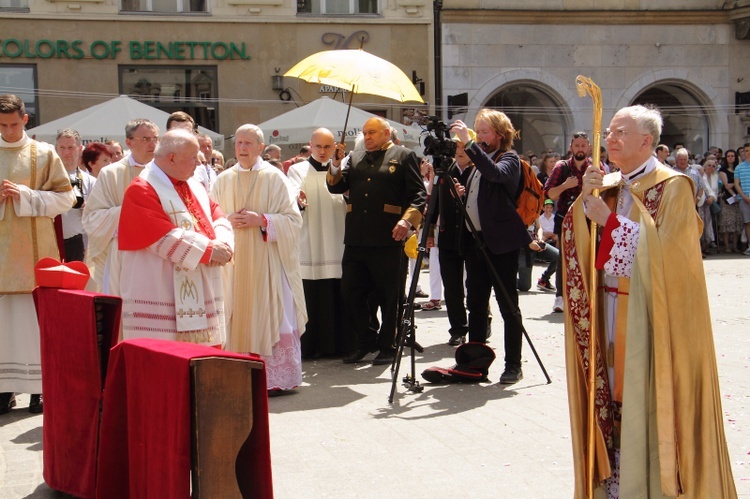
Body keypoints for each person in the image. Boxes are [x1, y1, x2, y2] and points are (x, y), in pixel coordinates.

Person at [563, 105, 737, 498]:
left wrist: (608, 221)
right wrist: (584, 202)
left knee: (642, 392)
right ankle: (617, 481)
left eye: (620, 132)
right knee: (611, 390)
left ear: (646, 141)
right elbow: (581, 245)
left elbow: (667, 263)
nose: (610, 138)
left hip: (650, 320)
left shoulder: (673, 187)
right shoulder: (609, 183)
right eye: (609, 131)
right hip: (607, 308)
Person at [211, 124, 307, 391]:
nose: (242, 148)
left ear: (261, 148)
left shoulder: (275, 178)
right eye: (239, 143)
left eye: (248, 144)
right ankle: (234, 374)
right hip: (233, 263)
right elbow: (208, 217)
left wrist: (262, 219)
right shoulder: (222, 180)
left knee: (272, 312)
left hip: (267, 263)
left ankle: (274, 380)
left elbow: (292, 220)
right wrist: (225, 220)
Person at [118, 129, 234, 346]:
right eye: (193, 157)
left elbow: (217, 214)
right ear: (172, 158)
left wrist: (224, 243)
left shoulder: (193, 185)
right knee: (166, 364)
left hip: (201, 285)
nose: (198, 163)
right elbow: (160, 237)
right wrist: (209, 251)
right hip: (162, 293)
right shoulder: (141, 189)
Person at [327, 117, 426, 366]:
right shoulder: (357, 157)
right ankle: (365, 340)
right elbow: (336, 187)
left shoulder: (403, 156)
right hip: (357, 238)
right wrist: (336, 163)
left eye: (372, 132)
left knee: (389, 295)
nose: (367, 137)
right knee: (351, 292)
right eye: (364, 133)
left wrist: (407, 221)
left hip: (389, 237)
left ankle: (388, 344)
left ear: (386, 133)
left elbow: (418, 195)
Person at [0, 94, 75, 415]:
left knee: (36, 322)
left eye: (14, 124)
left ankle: (40, 391)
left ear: (25, 120)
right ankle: (4, 390)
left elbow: (66, 198)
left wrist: (27, 196)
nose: (9, 130)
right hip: (3, 259)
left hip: (36, 254)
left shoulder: (43, 154)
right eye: (3, 125)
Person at [452, 109, 531, 385]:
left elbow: (497, 175)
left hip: (501, 245)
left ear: (499, 134)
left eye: (484, 132)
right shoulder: (477, 165)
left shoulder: (509, 159)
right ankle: (475, 364)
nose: (479, 136)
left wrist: (470, 145)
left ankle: (513, 365)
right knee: (475, 304)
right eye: (477, 131)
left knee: (508, 305)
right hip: (476, 244)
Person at [286, 128, 348, 359]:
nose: (322, 152)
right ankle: (310, 345)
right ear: (310, 145)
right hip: (309, 238)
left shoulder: (341, 170)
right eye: (318, 146)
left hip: (337, 237)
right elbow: (292, 192)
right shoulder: (297, 169)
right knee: (311, 294)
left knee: (337, 292)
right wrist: (297, 199)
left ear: (335, 147)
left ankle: (340, 345)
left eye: (327, 147)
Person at [82, 119, 159, 294]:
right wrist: (128, 211)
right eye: (146, 139)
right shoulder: (111, 174)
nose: (153, 144)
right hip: (123, 255)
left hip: (159, 252)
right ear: (129, 142)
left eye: (155, 138)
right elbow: (92, 218)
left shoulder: (165, 171)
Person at [544, 132, 600, 313]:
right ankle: (560, 296)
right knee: (564, 258)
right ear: (571, 147)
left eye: (584, 146)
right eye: (577, 146)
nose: (580, 149)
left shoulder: (595, 167)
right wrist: (565, 186)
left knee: (589, 256)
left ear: (589, 147)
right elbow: (550, 194)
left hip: (588, 218)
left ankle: (587, 295)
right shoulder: (561, 167)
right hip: (565, 218)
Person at [428, 133, 473, 345]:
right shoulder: (445, 172)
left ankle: (481, 322)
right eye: (456, 146)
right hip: (448, 237)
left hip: (473, 237)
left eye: (464, 145)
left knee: (475, 285)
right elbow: (434, 204)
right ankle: (457, 329)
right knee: (452, 286)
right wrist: (428, 233)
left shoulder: (479, 171)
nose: (460, 150)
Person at [56, 129, 96, 262]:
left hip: (77, 242)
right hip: (51, 240)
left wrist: (84, 205)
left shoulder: (90, 181)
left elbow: (97, 213)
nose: (66, 152)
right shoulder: (46, 177)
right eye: (62, 147)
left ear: (79, 149)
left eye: (70, 147)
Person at [717, 149, 743, 253]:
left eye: (732, 156)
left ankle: (735, 246)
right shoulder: (723, 170)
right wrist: (736, 184)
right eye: (728, 156)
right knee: (726, 224)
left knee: (736, 224)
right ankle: (727, 246)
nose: (730, 158)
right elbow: (726, 185)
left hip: (738, 198)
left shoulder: (738, 169)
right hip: (727, 198)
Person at [735, 144, 750, 256]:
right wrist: (744, 197)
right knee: (747, 223)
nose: (748, 152)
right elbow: (737, 184)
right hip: (744, 199)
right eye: (746, 151)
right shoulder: (739, 167)